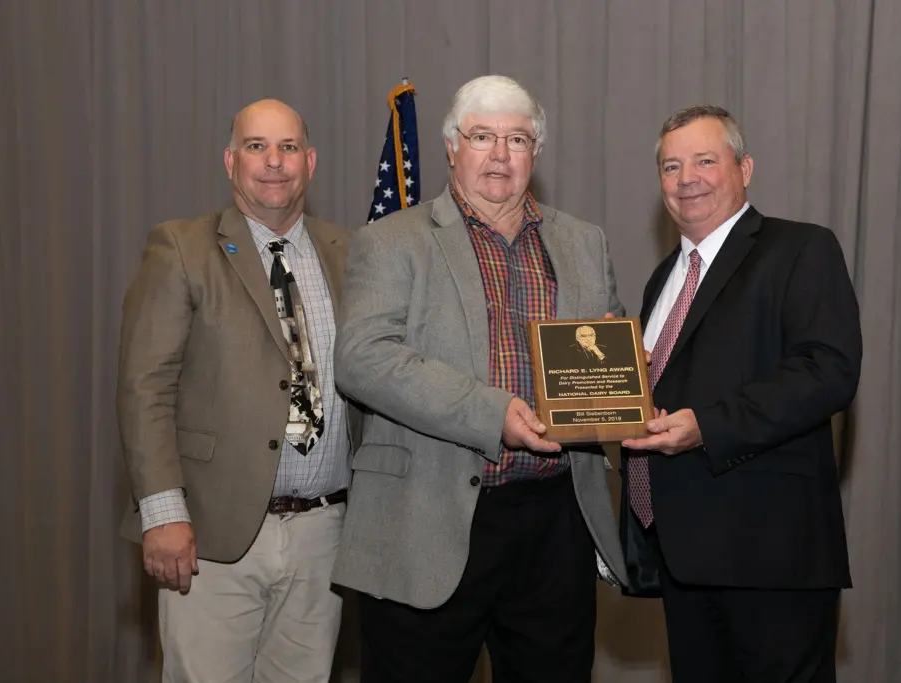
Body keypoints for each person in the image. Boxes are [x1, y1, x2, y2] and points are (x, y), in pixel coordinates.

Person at [331, 75, 628, 683]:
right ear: (450, 146)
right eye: (482, 136)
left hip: (555, 522)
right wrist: (491, 413)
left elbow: (603, 359)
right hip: (425, 521)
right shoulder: (391, 241)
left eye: (517, 139)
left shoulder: (583, 243)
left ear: (536, 153)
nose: (500, 154)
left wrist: (621, 372)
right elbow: (362, 356)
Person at [117, 98, 360, 682]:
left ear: (312, 161)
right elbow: (144, 386)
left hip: (324, 537)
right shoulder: (181, 247)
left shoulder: (350, 253)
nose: (273, 162)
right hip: (209, 538)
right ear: (230, 162)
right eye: (257, 147)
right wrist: (163, 514)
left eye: (288, 147)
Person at [619, 104, 861, 683]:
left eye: (705, 160)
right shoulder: (661, 279)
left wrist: (708, 424)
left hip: (770, 555)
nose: (687, 179)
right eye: (671, 167)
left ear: (744, 168)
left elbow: (827, 371)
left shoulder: (800, 249)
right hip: (682, 554)